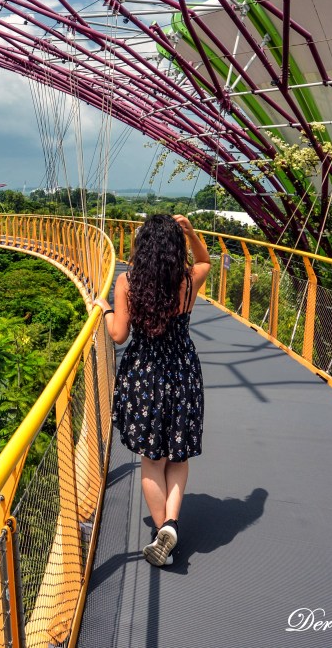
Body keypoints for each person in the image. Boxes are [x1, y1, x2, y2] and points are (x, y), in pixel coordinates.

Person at [96, 214, 210, 567]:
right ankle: (171, 524)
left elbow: (119, 335)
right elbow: (205, 261)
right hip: (182, 373)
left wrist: (105, 309)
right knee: (177, 457)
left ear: (142, 247)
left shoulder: (127, 283)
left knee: (151, 460)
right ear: (175, 248)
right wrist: (191, 232)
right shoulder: (187, 281)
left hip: (145, 376)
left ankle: (164, 530)